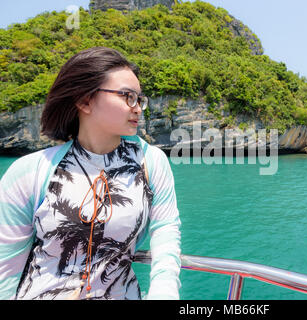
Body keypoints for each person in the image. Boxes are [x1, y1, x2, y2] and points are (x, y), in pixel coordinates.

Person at [0, 47, 181, 300]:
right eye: (127, 96)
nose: (138, 108)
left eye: (139, 99)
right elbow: (5, 266)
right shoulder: (31, 171)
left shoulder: (150, 162)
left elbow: (166, 230)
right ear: (85, 100)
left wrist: (164, 291)